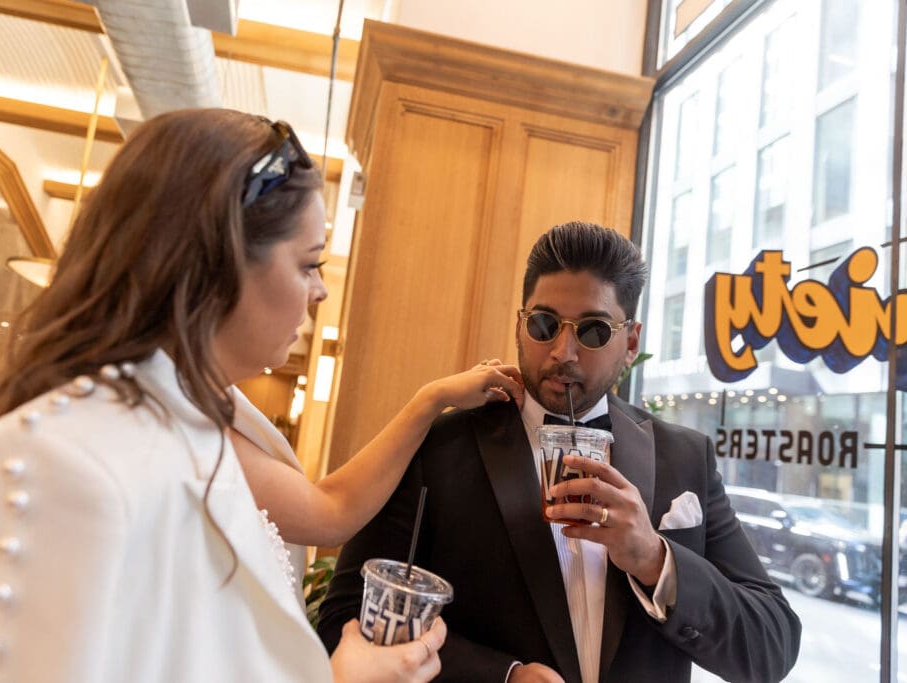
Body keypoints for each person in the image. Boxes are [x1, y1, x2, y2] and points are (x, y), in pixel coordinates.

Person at [0, 109, 524, 683]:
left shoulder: (192, 430)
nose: (320, 292)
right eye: (308, 264)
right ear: (216, 263)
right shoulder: (65, 462)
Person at [317, 221, 802, 683]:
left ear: (630, 342)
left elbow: (771, 647)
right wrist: (500, 676)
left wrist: (655, 560)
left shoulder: (684, 456)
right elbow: (345, 615)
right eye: (545, 324)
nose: (563, 352)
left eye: (592, 330)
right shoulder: (438, 448)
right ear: (520, 326)